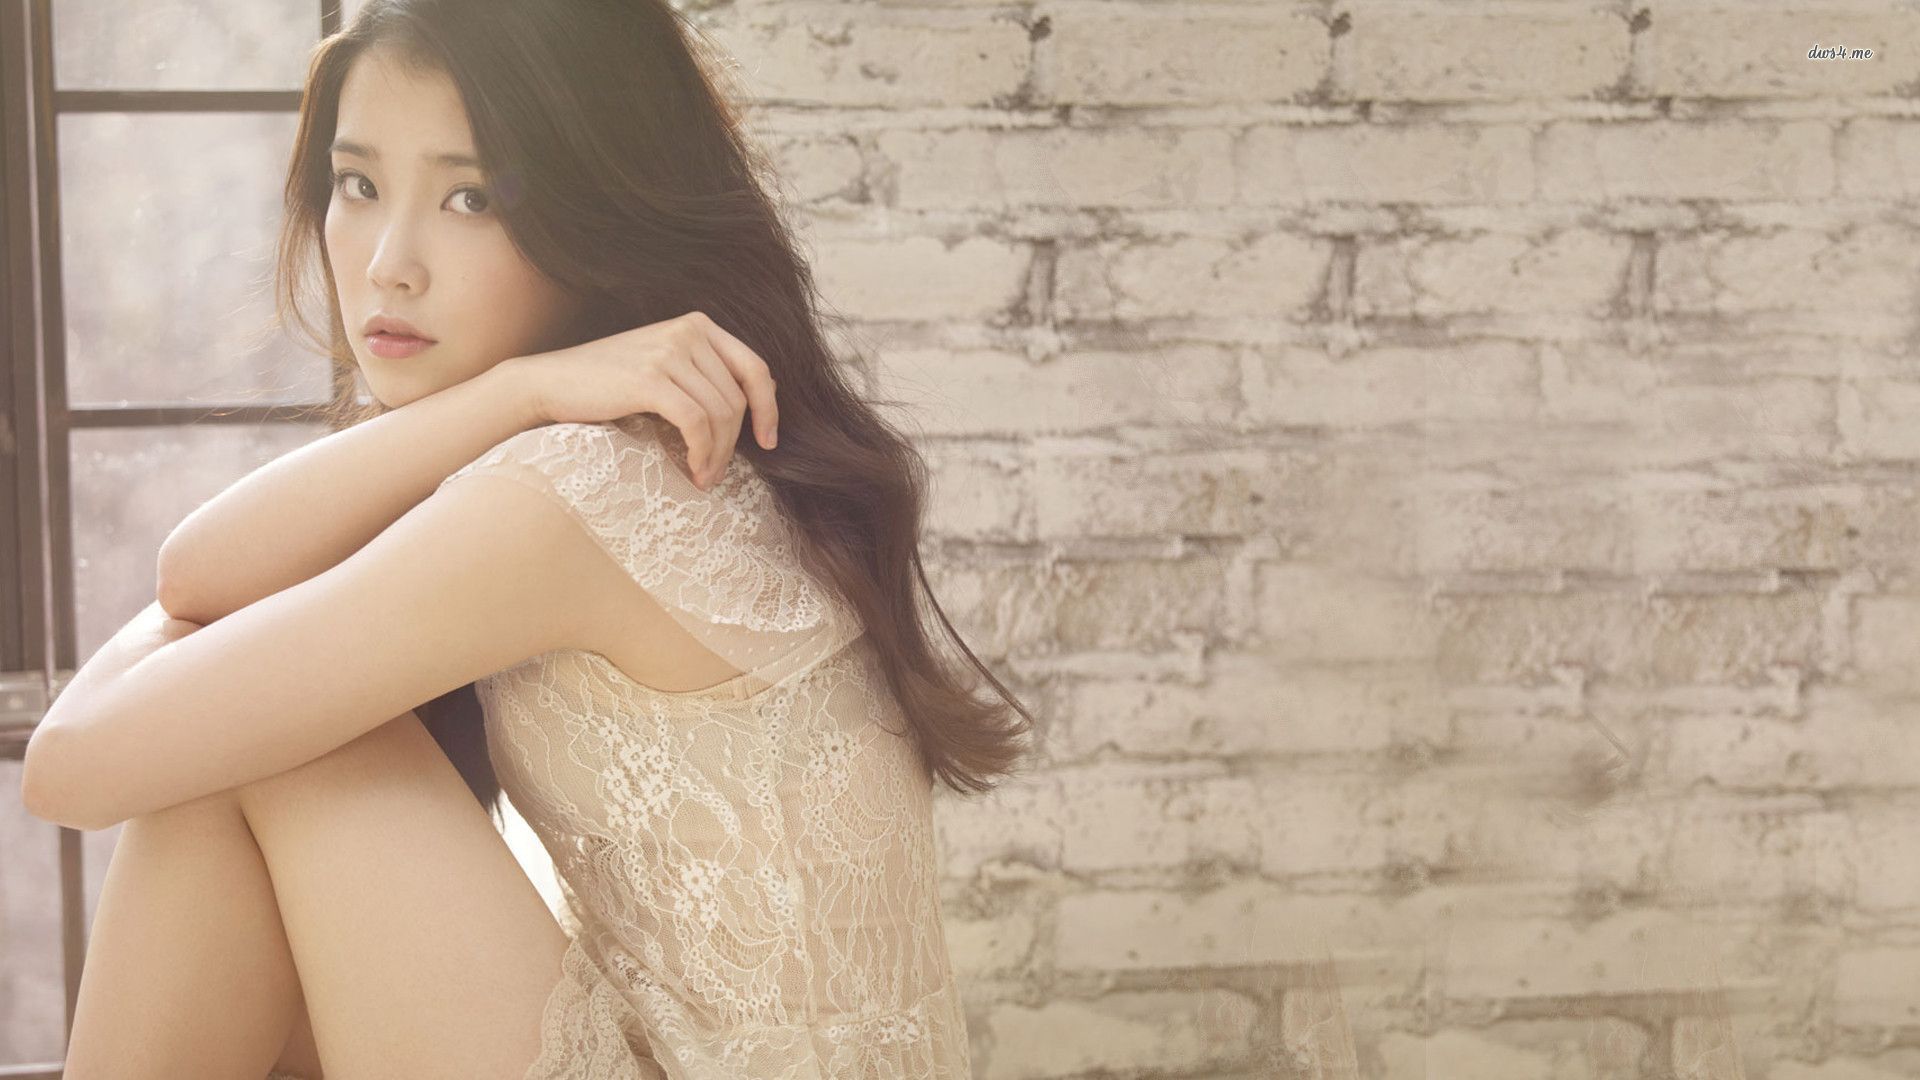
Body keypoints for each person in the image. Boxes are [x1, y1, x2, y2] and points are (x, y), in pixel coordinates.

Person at [28, 1, 1034, 1076]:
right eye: (357, 185)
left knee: (256, 745)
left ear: (596, 212)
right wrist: (518, 388)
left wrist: (518, 395)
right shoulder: (612, 447)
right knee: (240, 730)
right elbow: (199, 574)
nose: (389, 265)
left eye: (470, 197)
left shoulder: (578, 491)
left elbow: (74, 767)